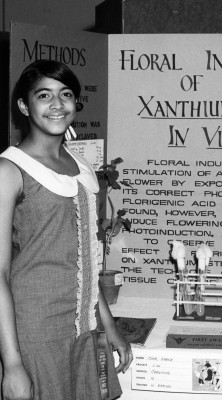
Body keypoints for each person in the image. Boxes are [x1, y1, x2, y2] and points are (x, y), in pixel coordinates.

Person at [0, 60, 133, 400]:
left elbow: (85, 263)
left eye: (66, 94)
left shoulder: (82, 166)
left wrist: (110, 326)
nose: (57, 104)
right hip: (35, 331)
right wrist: (12, 364)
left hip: (83, 331)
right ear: (23, 106)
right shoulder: (9, 170)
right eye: (44, 95)